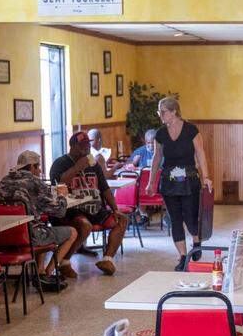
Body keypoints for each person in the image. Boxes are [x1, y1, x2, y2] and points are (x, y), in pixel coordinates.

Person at [144, 96, 213, 270]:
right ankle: (183, 257)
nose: (160, 115)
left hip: (189, 180)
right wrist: (151, 182)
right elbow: (156, 158)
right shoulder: (160, 134)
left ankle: (196, 241)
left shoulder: (191, 130)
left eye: (163, 112)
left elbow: (200, 154)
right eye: (159, 112)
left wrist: (206, 177)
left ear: (174, 111)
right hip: (169, 182)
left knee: (190, 217)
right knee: (175, 219)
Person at [0, 150, 77, 290]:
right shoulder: (35, 183)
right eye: (38, 166)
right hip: (29, 236)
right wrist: (62, 196)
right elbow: (60, 212)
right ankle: (48, 274)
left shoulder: (4, 181)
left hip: (2, 237)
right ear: (32, 167)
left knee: (41, 225)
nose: (40, 170)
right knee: (72, 232)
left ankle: (40, 271)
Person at [49, 132, 128, 276]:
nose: (87, 149)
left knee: (121, 220)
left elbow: (105, 189)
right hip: (72, 209)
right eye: (82, 146)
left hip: (95, 208)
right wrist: (78, 167)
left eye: (88, 145)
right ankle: (65, 262)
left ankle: (107, 259)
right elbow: (59, 185)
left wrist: (115, 209)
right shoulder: (60, 163)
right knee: (85, 225)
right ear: (72, 146)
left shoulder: (94, 164)